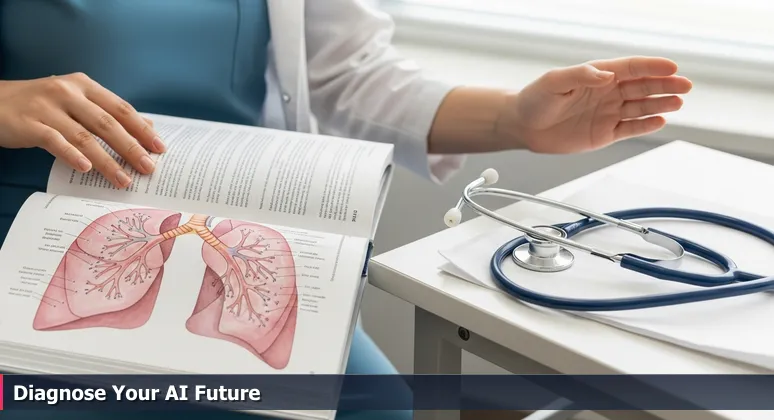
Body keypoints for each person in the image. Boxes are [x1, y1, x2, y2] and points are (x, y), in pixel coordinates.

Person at [0, 1, 692, 419]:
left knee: (373, 406)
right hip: (30, 220)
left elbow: (347, 76)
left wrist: (515, 120)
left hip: (237, 229)